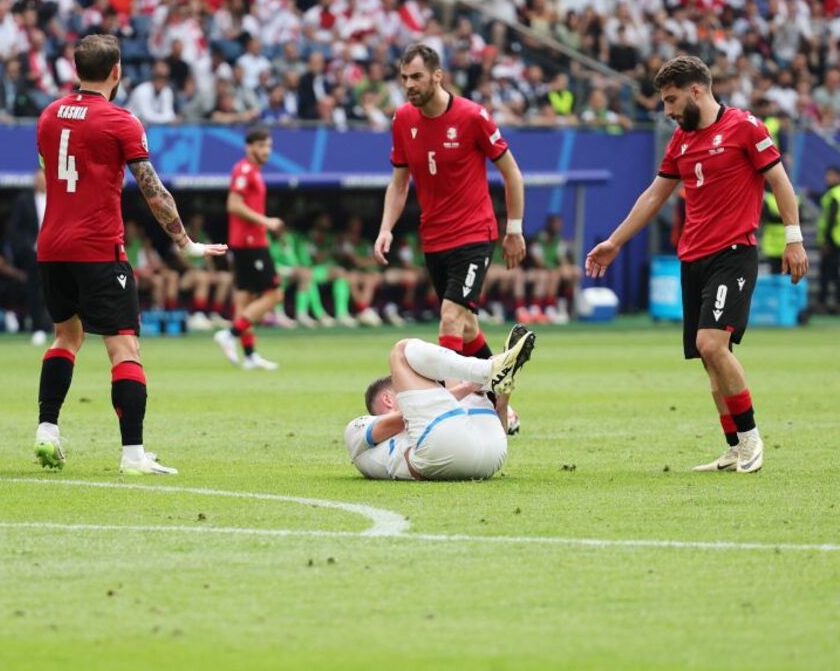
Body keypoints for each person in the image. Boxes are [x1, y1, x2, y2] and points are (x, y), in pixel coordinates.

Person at [586, 55, 809, 474]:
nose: (667, 111)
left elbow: (779, 181)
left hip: (734, 254)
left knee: (712, 344)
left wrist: (794, 240)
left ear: (696, 90)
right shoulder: (681, 140)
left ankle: (751, 439)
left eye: (671, 101)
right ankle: (732, 447)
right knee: (709, 359)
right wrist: (614, 241)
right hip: (694, 258)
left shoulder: (745, 127)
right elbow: (654, 196)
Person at [32, 34, 226, 475]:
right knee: (125, 349)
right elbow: (153, 192)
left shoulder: (48, 116)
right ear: (116, 72)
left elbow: (53, 173)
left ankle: (47, 429)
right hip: (98, 247)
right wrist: (185, 242)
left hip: (52, 246)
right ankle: (133, 454)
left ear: (77, 69)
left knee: (67, 336)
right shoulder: (121, 120)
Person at [375, 43, 527, 364]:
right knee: (467, 327)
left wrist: (514, 229)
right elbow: (399, 182)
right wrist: (385, 228)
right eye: (404, 78)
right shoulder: (402, 119)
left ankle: (449, 405)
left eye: (416, 77)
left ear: (437, 76)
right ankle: (498, 394)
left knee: (449, 317)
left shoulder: (473, 117)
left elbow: (512, 173)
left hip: (474, 233)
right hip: (433, 237)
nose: (409, 85)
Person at [345, 326, 535, 482]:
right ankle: (488, 371)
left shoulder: (429, 412)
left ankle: (494, 379)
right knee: (401, 351)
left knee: (454, 373)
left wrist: (501, 404)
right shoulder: (357, 428)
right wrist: (470, 386)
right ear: (388, 399)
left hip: (492, 452)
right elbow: (403, 418)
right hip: (442, 452)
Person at [214, 127, 284, 370]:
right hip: (251, 243)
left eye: (268, 146)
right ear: (250, 147)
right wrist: (267, 222)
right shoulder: (244, 169)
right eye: (262, 146)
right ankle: (230, 334)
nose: (266, 151)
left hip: (246, 243)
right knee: (274, 294)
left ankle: (251, 355)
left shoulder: (253, 171)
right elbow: (233, 205)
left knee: (245, 299)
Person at [5, 169, 53, 345]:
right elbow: (15, 229)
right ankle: (38, 328)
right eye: (38, 179)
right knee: (35, 290)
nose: (41, 182)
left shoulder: (58, 198)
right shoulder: (23, 201)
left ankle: (58, 326)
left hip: (57, 251)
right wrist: (30, 246)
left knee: (58, 290)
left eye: (44, 179)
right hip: (34, 253)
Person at [819, 166, 840, 313]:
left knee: (829, 274)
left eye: (831, 175)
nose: (828, 178)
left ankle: (824, 303)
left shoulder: (833, 195)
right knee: (830, 273)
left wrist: (826, 241)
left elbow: (831, 220)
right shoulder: (832, 194)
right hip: (835, 240)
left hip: (834, 241)